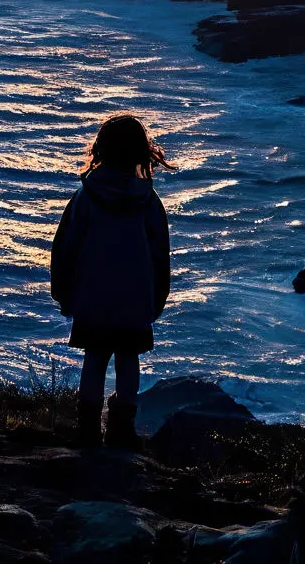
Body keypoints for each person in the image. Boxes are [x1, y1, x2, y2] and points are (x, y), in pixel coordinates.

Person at [50, 114, 173, 449]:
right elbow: (161, 256)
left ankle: (88, 428)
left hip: (93, 297)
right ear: (142, 153)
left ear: (100, 149)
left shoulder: (85, 198)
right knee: (128, 361)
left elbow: (65, 247)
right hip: (134, 299)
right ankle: (121, 430)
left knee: (95, 359)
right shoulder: (149, 202)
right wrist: (158, 297)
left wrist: (61, 289)